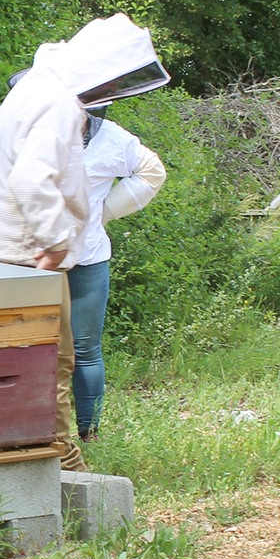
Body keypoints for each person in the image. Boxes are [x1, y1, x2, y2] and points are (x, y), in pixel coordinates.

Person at [0, 14, 170, 467]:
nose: (110, 91)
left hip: (0, 254)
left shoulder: (35, 91)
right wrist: (55, 240)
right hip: (26, 258)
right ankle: (63, 472)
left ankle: (12, 460)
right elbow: (32, 179)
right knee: (50, 365)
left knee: (10, 365)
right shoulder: (56, 104)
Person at [69, 113, 167, 441]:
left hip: (86, 259)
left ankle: (89, 432)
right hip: (31, 264)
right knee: (29, 348)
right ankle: (33, 437)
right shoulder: (23, 128)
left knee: (84, 350)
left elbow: (152, 171)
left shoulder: (110, 138)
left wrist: (106, 211)